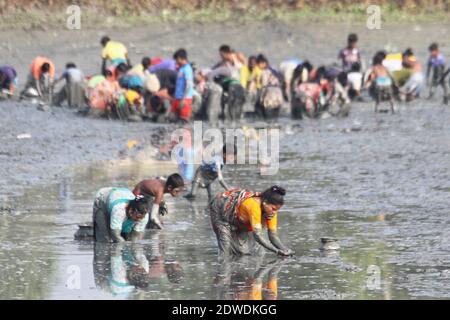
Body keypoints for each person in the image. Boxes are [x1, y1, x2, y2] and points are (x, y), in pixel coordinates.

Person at [208, 185, 294, 258]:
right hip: (221, 211)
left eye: (277, 210)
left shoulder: (271, 213)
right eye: (273, 209)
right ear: (265, 203)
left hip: (240, 220)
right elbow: (258, 236)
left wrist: (284, 249)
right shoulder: (253, 206)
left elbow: (273, 236)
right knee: (226, 246)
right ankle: (224, 270)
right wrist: (277, 251)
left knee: (246, 251)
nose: (274, 212)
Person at [170, 49, 194, 123]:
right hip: (177, 98)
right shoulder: (181, 69)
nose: (176, 62)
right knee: (172, 120)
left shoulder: (187, 69)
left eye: (176, 59)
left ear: (180, 58)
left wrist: (183, 99)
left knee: (184, 121)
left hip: (185, 99)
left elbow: (189, 84)